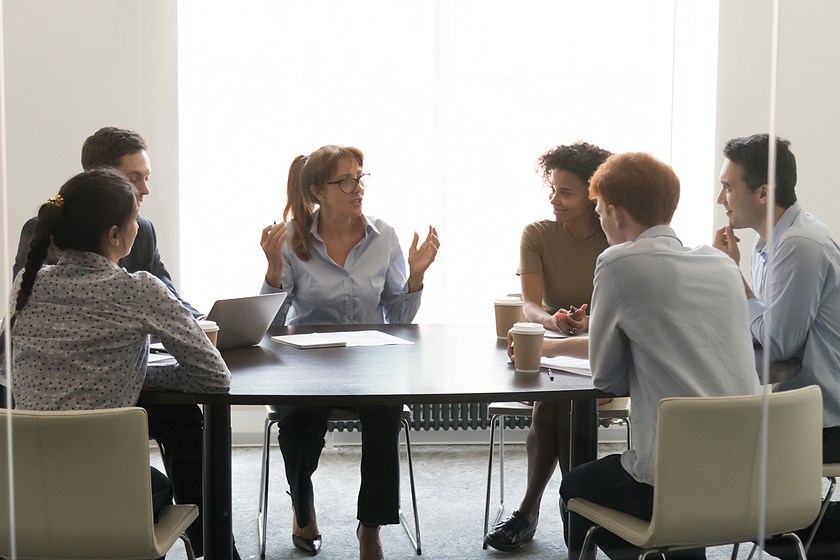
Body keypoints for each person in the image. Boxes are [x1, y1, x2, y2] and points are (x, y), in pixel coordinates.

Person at [4, 127, 218, 558]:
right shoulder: (138, 289)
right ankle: (212, 546)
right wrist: (140, 371)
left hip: (26, 487)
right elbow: (213, 376)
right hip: (108, 485)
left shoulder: (24, 285)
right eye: (133, 219)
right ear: (117, 235)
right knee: (154, 486)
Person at [541, 152, 761, 560]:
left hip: (671, 481)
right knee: (677, 495)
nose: (601, 221)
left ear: (616, 213)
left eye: (601, 211)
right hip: (747, 475)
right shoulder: (720, 263)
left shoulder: (618, 262)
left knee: (575, 486)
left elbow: (608, 379)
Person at [259, 145, 440, 559]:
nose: (358, 188)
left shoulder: (384, 236)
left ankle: (370, 528)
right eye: (346, 181)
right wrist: (272, 273)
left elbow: (398, 316)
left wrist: (415, 277)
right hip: (307, 364)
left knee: (384, 413)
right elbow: (272, 325)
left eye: (360, 177)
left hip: (369, 363)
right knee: (299, 424)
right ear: (318, 191)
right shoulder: (291, 238)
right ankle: (303, 510)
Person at [713, 134, 840, 558]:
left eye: (728, 186)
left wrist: (734, 281)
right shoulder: (772, 243)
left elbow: (778, 341)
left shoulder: (799, 246)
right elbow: (766, 322)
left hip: (825, 418)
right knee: (712, 466)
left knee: (721, 476)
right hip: (799, 406)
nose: (720, 198)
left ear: (763, 192)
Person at [484, 141, 611, 552]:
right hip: (555, 347)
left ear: (594, 196)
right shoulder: (537, 234)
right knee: (554, 401)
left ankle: (529, 511)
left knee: (554, 403)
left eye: (566, 193)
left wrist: (589, 322)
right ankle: (578, 511)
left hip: (602, 350)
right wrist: (553, 321)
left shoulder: (616, 237)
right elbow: (531, 305)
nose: (555, 200)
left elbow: (622, 313)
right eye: (552, 190)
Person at [12, 126, 201, 317]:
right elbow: (26, 304)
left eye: (147, 178)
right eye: (133, 179)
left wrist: (203, 321)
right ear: (99, 177)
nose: (145, 190)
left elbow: (170, 298)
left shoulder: (142, 229)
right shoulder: (47, 229)